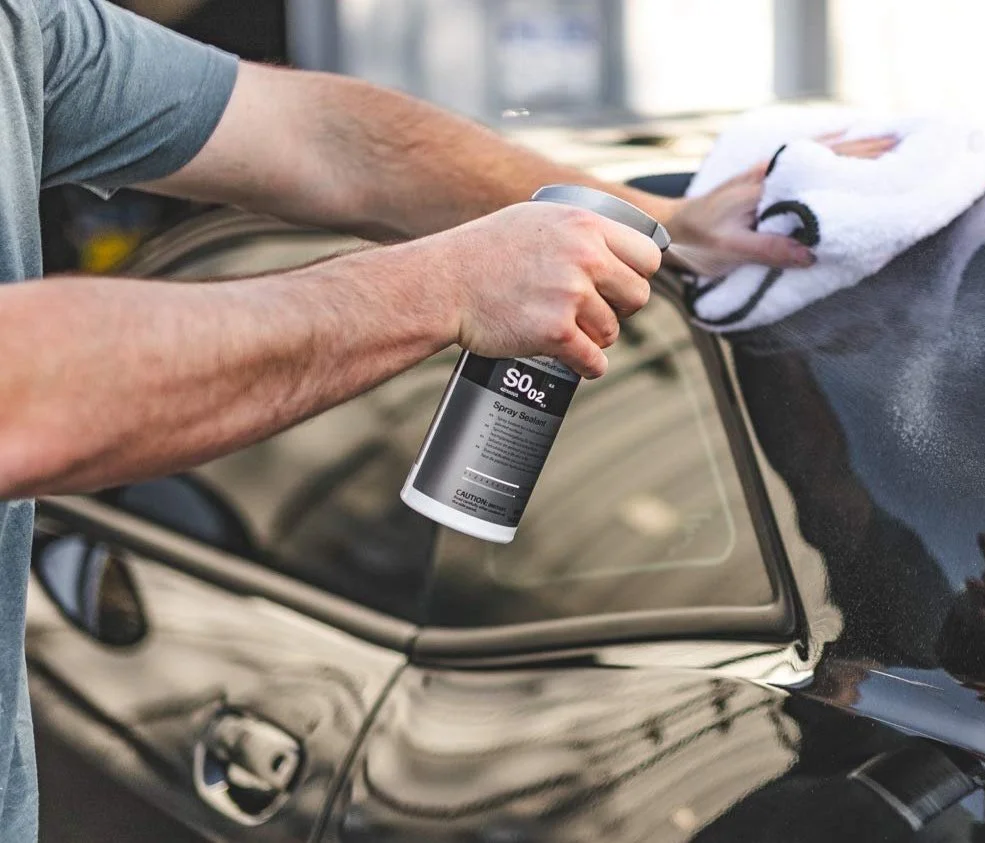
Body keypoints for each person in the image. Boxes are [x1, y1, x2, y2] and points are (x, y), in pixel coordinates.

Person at [0, 1, 897, 837]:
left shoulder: (26, 29)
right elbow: (20, 397)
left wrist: (661, 223)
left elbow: (326, 139)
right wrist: (440, 286)